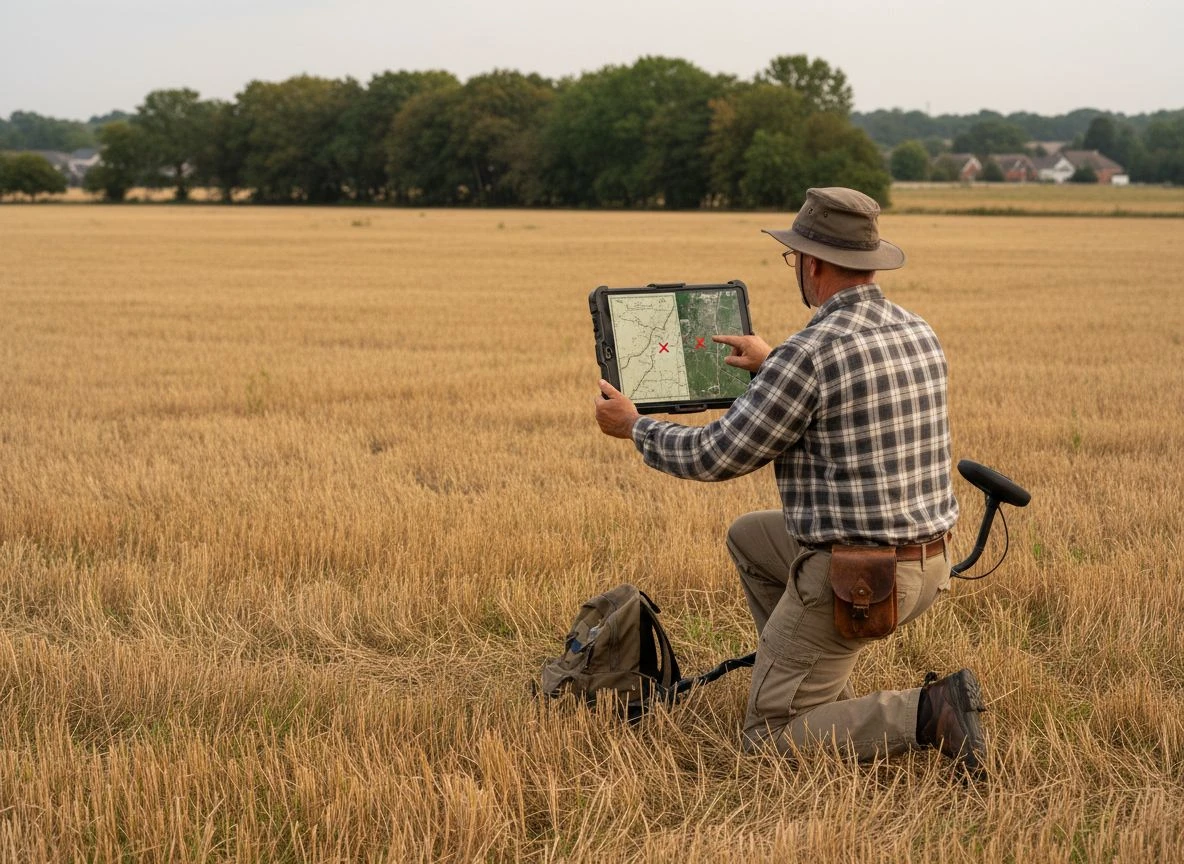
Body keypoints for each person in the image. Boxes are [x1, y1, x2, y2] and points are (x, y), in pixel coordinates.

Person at [594, 187, 988, 777]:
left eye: (793, 259)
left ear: (812, 262)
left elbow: (717, 454)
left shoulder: (807, 356)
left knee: (768, 739)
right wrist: (770, 361)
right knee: (751, 537)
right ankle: (797, 666)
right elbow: (845, 389)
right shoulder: (915, 330)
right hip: (927, 565)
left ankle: (927, 713)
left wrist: (636, 427)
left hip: (862, 580)